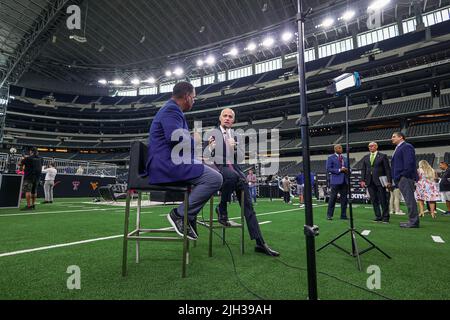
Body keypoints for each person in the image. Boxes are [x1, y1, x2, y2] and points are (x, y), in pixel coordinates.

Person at [146, 82, 223, 241]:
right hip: (166, 164)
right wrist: (195, 140)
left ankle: (189, 215)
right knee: (215, 178)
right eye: (193, 98)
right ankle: (180, 214)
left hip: (170, 161)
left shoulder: (172, 110)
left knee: (212, 174)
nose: (194, 101)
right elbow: (175, 138)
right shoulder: (171, 110)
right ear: (187, 96)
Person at [208, 108, 279, 256]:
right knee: (232, 176)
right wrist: (211, 148)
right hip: (218, 168)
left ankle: (260, 242)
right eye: (225, 116)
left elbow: (240, 158)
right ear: (220, 118)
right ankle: (222, 208)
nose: (227, 118)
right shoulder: (212, 133)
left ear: (233, 120)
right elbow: (208, 155)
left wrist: (234, 149)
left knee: (248, 205)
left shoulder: (236, 136)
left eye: (230, 116)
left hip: (235, 169)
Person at [391, 132, 419, 228]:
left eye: (394, 137)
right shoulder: (399, 147)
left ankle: (414, 222)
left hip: (405, 178)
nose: (392, 138)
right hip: (402, 177)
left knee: (410, 200)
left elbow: (409, 163)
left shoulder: (406, 146)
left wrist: (402, 175)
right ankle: (412, 221)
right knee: (408, 200)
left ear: (401, 137)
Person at [360, 142, 392, 223]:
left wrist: (389, 181)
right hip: (369, 181)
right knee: (374, 200)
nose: (370, 147)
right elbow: (363, 169)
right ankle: (378, 216)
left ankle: (385, 217)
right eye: (369, 146)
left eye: (372, 146)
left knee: (383, 199)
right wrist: (362, 180)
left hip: (380, 181)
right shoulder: (366, 157)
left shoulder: (383, 156)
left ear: (376, 146)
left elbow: (387, 169)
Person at [326, 144, 349, 220]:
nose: (341, 149)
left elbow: (349, 168)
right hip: (335, 181)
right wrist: (339, 170)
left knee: (344, 199)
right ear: (335, 149)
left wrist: (348, 170)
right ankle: (329, 215)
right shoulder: (330, 158)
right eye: (339, 148)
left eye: (341, 148)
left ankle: (343, 215)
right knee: (333, 198)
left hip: (344, 181)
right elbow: (329, 169)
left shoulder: (345, 158)